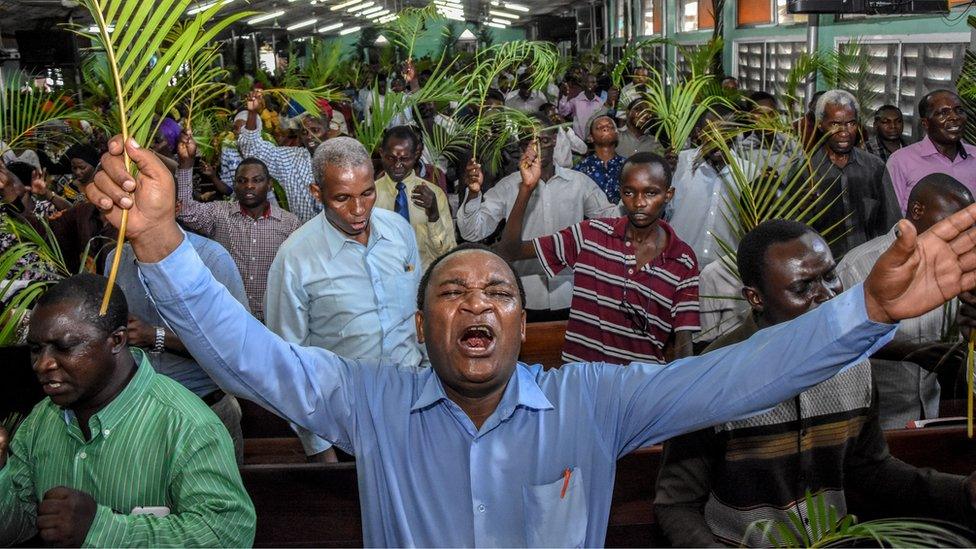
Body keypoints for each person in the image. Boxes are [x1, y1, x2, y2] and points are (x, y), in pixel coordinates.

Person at [86, 132, 976, 547]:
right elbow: (250, 354)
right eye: (452, 290)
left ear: (522, 320)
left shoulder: (598, 398)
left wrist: (866, 313)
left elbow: (742, 373)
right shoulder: (369, 402)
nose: (478, 300)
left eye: (500, 289)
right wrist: (161, 240)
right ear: (423, 324)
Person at [654, 220, 976, 547]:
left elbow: (870, 469)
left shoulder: (854, 362)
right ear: (756, 298)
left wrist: (962, 491)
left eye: (830, 276)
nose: (826, 295)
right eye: (802, 287)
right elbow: (676, 504)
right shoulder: (709, 377)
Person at [0, 274, 255, 547]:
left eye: (64, 347)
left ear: (117, 340)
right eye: (36, 350)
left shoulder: (187, 426)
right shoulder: (41, 421)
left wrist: (102, 528)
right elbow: (14, 528)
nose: (42, 364)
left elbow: (228, 536)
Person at [265, 136, 423, 463]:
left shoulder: (399, 232)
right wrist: (320, 449)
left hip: (414, 408)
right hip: (346, 425)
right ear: (316, 193)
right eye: (342, 198)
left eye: (367, 193)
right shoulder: (295, 258)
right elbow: (288, 363)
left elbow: (420, 321)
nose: (358, 209)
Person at [497, 150, 698, 364]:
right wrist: (526, 189)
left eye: (650, 193)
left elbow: (684, 338)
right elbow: (511, 250)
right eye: (630, 192)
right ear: (620, 193)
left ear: (668, 195)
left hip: (640, 386)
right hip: (582, 381)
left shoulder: (682, 259)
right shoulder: (590, 235)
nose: (639, 203)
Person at [838, 173, 974, 428]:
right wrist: (910, 352)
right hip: (876, 421)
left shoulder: (957, 268)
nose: (959, 234)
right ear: (917, 210)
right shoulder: (858, 266)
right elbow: (838, 342)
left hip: (930, 416)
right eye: (953, 221)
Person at [107, 226, 251, 462]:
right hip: (138, 414)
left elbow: (237, 348)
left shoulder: (212, 258)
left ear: (174, 206)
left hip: (205, 409)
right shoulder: (115, 259)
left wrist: (157, 336)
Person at [456, 123, 619, 321]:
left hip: (572, 294)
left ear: (555, 141)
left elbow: (613, 222)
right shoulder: (509, 186)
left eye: (543, 141)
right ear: (522, 147)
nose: (537, 149)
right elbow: (472, 232)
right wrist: (473, 193)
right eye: (530, 142)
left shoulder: (579, 183)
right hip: (526, 296)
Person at [174, 130, 301, 321]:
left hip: (272, 321)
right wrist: (186, 163)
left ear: (269, 185)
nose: (249, 186)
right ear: (235, 185)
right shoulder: (220, 213)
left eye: (257, 180)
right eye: (242, 181)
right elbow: (185, 210)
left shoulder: (290, 224)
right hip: (227, 317)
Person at [790, 89, 897, 257]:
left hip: (868, 266)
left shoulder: (874, 167)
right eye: (835, 124)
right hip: (823, 267)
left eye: (851, 123)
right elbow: (792, 230)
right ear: (820, 124)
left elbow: (891, 223)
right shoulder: (803, 171)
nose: (844, 131)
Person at [670, 108, 755, 267]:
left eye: (725, 133)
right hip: (679, 262)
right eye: (711, 132)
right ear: (698, 132)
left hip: (724, 269)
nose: (718, 139)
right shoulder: (680, 163)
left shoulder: (748, 173)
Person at [375, 126, 456, 269]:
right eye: (391, 158)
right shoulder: (370, 195)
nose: (397, 165)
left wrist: (433, 215)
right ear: (381, 153)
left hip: (421, 279)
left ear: (416, 154)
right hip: (383, 280)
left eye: (404, 159)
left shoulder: (435, 194)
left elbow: (447, 254)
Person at [884, 89, 976, 213]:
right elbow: (890, 217)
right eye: (943, 113)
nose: (954, 117)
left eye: (959, 111)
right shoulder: (901, 161)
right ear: (925, 123)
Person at [238, 90, 322, 224]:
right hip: (305, 240)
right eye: (304, 132)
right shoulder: (292, 160)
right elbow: (252, 150)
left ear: (329, 130)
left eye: (316, 130)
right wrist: (252, 112)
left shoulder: (345, 157)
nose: (310, 136)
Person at [574, 114, 627, 203]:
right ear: (590, 137)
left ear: (617, 134)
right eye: (599, 127)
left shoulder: (628, 167)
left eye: (610, 126)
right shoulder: (580, 169)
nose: (605, 129)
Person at [559, 73, 605, 140]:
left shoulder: (600, 102)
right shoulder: (576, 101)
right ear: (584, 84)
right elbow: (563, 112)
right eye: (587, 82)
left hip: (596, 140)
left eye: (593, 82)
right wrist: (565, 96)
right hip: (579, 141)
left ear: (596, 85)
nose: (590, 84)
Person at [542, 103, 587, 168]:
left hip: (568, 171)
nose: (555, 118)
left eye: (557, 115)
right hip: (552, 172)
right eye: (551, 116)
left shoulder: (565, 131)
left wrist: (566, 129)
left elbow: (583, 149)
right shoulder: (542, 137)